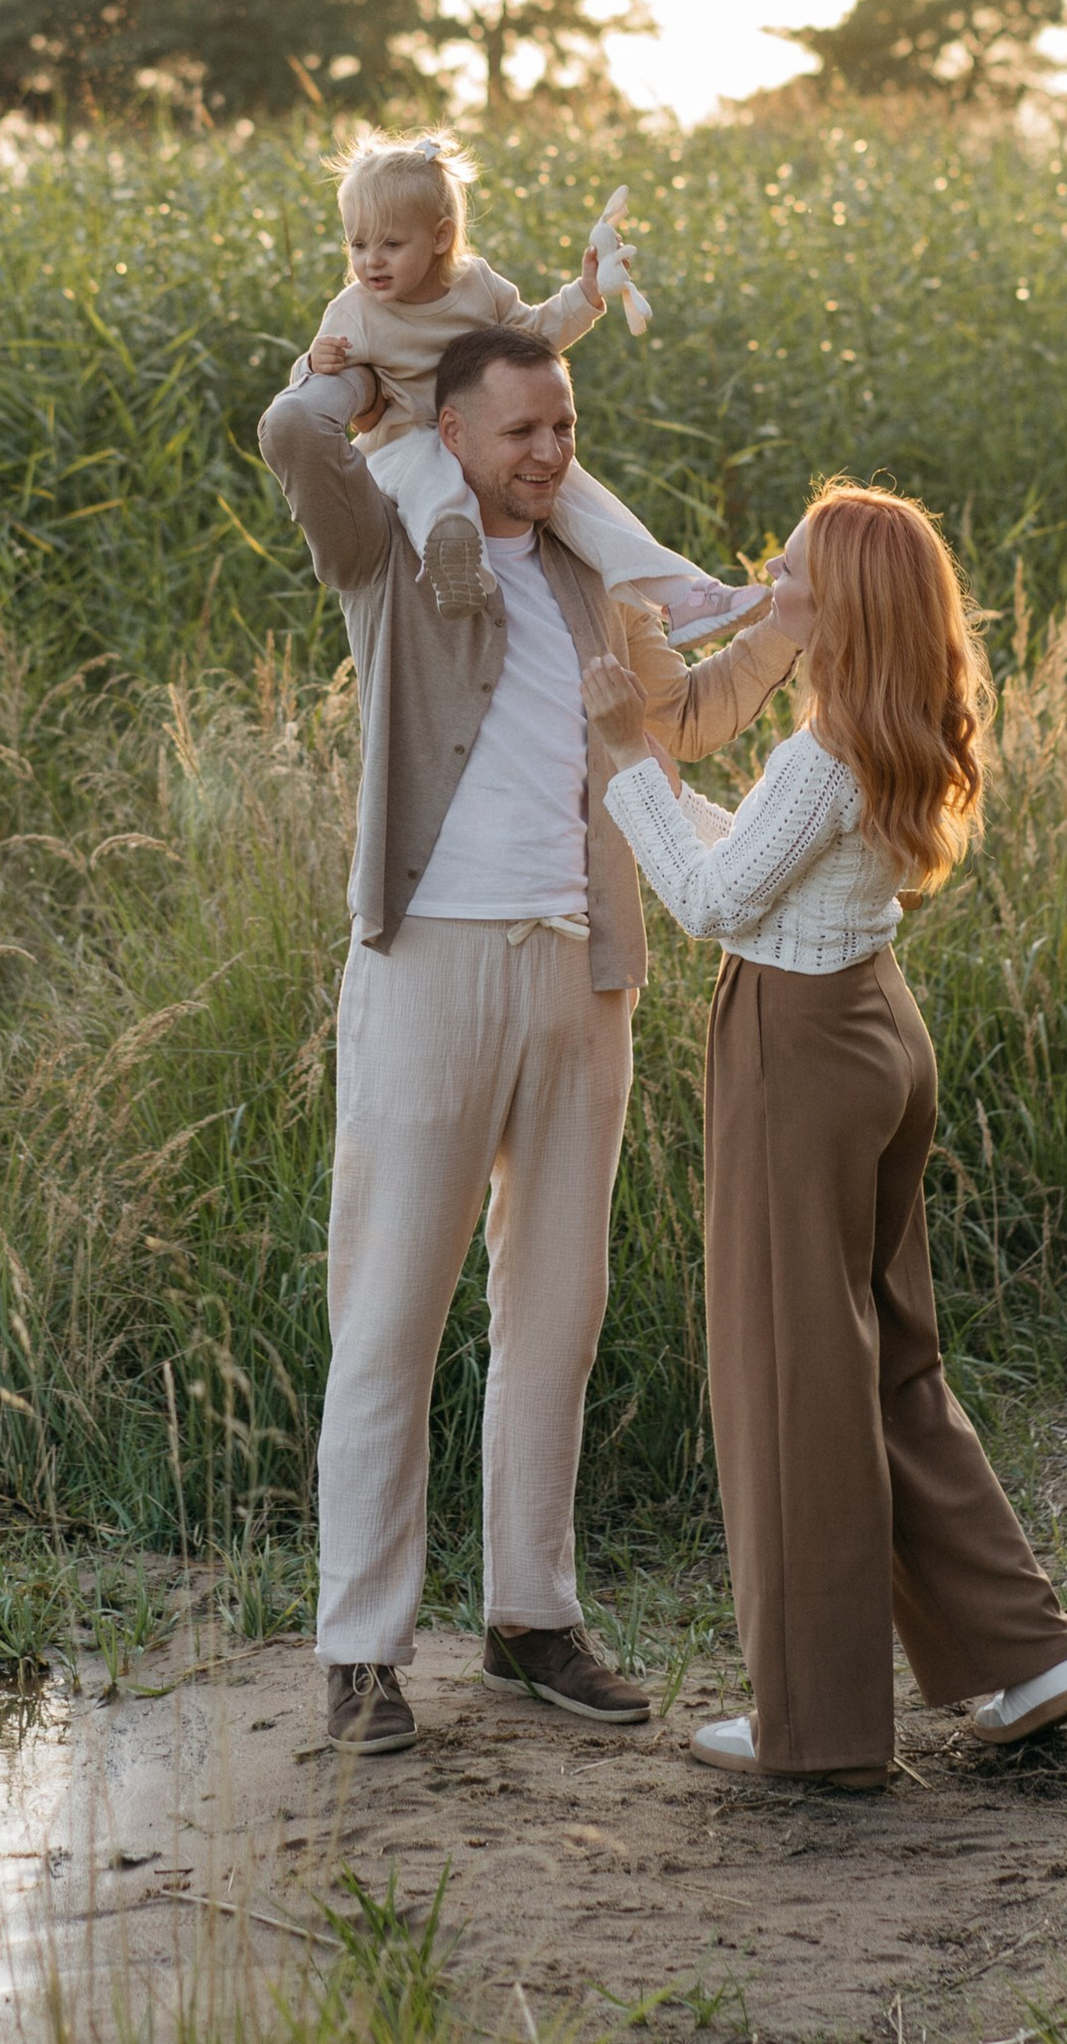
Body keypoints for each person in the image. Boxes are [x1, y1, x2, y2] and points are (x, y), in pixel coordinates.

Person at [259, 323, 797, 1756]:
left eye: (564, 427)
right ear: (452, 436)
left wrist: (789, 626)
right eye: (521, 433)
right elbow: (292, 439)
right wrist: (355, 365)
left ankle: (530, 1620)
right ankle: (362, 1651)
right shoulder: (387, 552)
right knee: (388, 1318)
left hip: (584, 970)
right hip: (431, 966)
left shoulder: (590, 575)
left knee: (556, 1312)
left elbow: (681, 726)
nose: (553, 455)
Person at [580, 484, 1067, 1790]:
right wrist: (663, 785)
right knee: (889, 1370)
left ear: (843, 606)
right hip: (875, 1031)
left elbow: (710, 901)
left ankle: (812, 1726)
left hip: (800, 1051)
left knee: (791, 1380)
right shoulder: (881, 727)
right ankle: (1029, 1654)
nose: (769, 584)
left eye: (793, 573)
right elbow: (758, 857)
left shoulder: (823, 753)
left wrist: (622, 762)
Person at [294, 130, 766, 641]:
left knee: (586, 500)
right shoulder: (355, 310)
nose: (370, 262)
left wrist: (585, 294)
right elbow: (307, 390)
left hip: (490, 435)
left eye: (390, 244)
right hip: (406, 439)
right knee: (433, 482)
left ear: (440, 237)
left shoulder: (475, 285)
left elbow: (535, 335)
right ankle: (458, 571)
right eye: (358, 244)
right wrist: (314, 362)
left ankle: (684, 596)